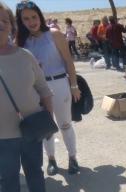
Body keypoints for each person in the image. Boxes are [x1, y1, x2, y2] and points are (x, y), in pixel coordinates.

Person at [0, 1, 60, 192]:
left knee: (35, 172)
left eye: (3, 22)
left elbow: (44, 89)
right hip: (2, 137)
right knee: (8, 179)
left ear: (11, 26)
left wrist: (49, 121)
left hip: (31, 130)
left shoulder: (25, 55)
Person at [16, 0, 82, 176]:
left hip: (59, 83)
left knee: (65, 123)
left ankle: (73, 157)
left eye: (34, 16)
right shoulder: (22, 42)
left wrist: (74, 85)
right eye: (26, 19)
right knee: (45, 126)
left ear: (40, 16)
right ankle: (51, 159)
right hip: (37, 89)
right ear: (21, 21)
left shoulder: (55, 34)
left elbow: (68, 61)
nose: (31, 21)